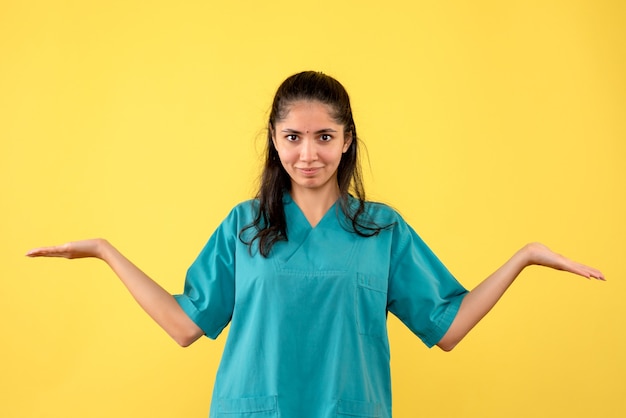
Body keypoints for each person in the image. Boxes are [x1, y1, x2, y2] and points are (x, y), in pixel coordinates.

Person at [27, 71, 604, 418]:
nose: (308, 153)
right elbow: (184, 324)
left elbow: (448, 329)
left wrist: (524, 257)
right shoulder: (245, 227)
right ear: (274, 141)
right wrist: (106, 251)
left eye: (324, 136)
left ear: (347, 141)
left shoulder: (381, 230)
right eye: (293, 137)